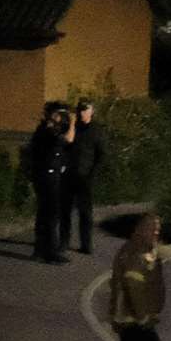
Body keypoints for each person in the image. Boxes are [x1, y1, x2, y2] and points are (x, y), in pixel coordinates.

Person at [83, 212, 164, 341]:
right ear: (137, 230)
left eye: (157, 227)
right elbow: (134, 289)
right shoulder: (135, 255)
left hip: (132, 321)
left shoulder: (142, 251)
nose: (156, 231)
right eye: (151, 227)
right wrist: (144, 317)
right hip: (135, 322)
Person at [26, 102, 75, 264]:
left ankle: (39, 250)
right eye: (58, 115)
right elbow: (68, 139)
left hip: (43, 175)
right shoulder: (48, 131)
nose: (60, 118)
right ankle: (51, 252)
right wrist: (73, 122)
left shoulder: (42, 130)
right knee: (52, 215)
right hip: (49, 177)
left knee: (43, 214)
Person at [61, 99, 105, 256]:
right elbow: (65, 145)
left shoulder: (96, 130)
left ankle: (86, 244)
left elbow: (101, 155)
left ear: (92, 112)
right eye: (80, 110)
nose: (82, 113)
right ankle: (63, 242)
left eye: (85, 110)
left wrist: (92, 175)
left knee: (85, 213)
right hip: (69, 175)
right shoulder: (73, 128)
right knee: (65, 210)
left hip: (85, 177)